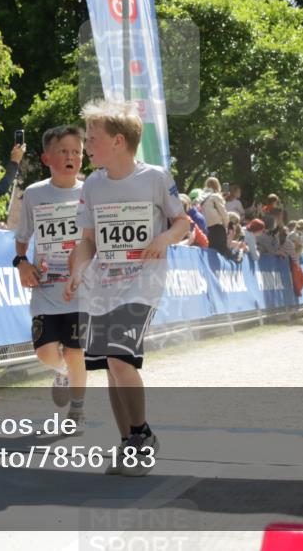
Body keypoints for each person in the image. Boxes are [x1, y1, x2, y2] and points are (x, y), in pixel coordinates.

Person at [65, 100, 189, 477]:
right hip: (103, 286)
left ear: (118, 141)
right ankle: (128, 442)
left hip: (143, 283)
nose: (86, 146)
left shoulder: (155, 177)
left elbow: (182, 222)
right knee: (111, 366)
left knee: (120, 359)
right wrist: (77, 269)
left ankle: (142, 436)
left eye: (93, 139)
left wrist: (163, 239)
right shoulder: (93, 184)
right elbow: (89, 240)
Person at [14, 125, 88, 425]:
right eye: (63, 152)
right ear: (46, 158)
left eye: (77, 152)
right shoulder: (34, 194)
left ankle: (77, 411)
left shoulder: (91, 192)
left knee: (75, 351)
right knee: (45, 353)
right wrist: (22, 262)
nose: (71, 157)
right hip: (46, 287)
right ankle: (62, 373)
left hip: (81, 289)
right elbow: (22, 236)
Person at [200, 177, 231, 258]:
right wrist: (227, 226)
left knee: (210, 252)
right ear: (218, 186)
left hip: (205, 228)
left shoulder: (201, 197)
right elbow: (223, 213)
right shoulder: (216, 196)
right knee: (221, 253)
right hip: (217, 228)